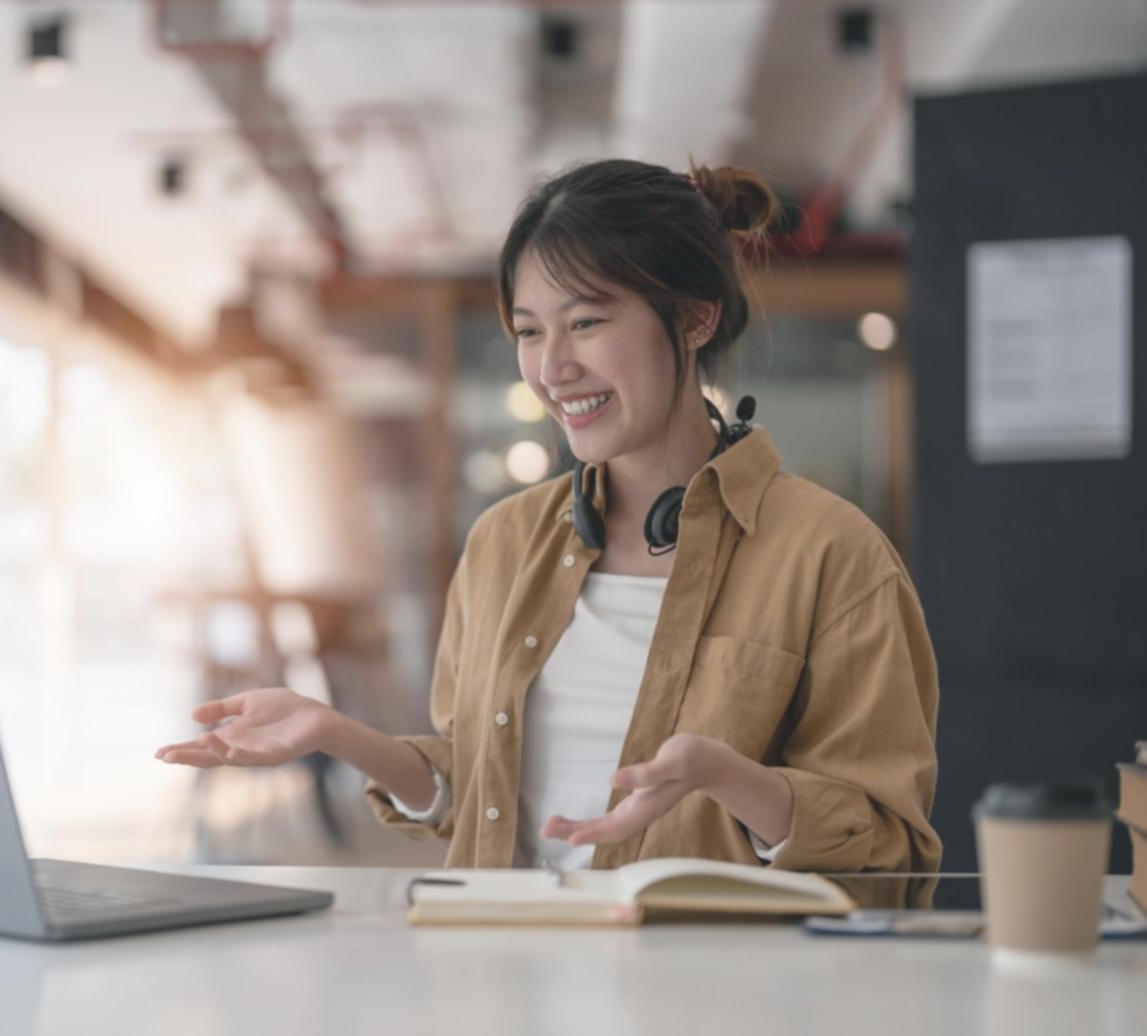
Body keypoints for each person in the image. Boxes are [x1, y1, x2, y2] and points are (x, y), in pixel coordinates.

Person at [157, 158, 942, 874]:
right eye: (529, 331)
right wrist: (334, 733)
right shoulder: (503, 543)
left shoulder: (833, 555)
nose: (551, 368)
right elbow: (477, 795)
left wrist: (732, 783)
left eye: (587, 322)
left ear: (695, 319)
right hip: (504, 980)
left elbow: (890, 852)